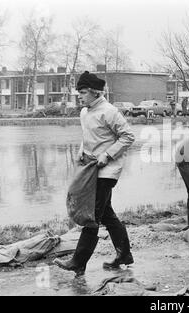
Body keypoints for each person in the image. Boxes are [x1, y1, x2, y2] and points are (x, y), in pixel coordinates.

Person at [54, 71, 136, 276]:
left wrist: (107, 155)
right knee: (106, 213)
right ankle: (124, 254)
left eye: (82, 92)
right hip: (90, 168)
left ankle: (78, 262)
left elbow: (128, 136)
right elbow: (89, 136)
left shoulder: (109, 112)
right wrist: (82, 152)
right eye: (78, 93)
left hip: (108, 170)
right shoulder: (84, 112)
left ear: (94, 92)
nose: (79, 96)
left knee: (92, 215)